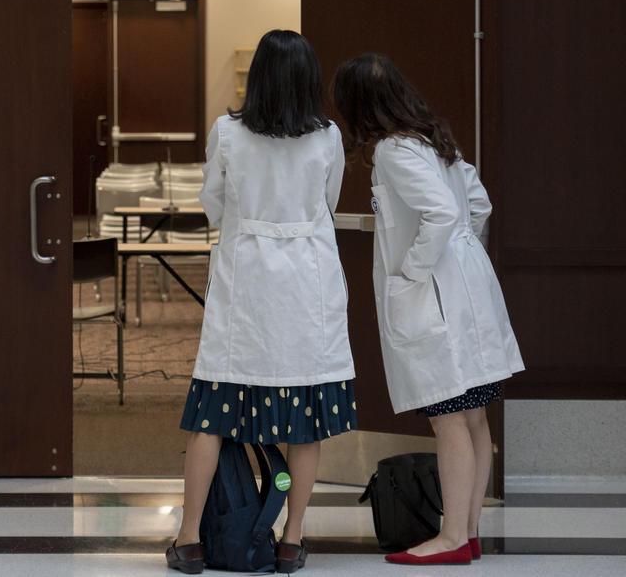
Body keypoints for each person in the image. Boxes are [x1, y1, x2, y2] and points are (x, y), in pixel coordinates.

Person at [166, 30, 356, 575]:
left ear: (258, 79)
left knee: (213, 411)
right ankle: (292, 540)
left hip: (245, 284)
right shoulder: (327, 137)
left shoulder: (227, 132)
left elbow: (214, 206)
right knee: (304, 423)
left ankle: (189, 540)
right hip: (307, 289)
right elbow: (329, 202)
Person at [333, 53, 524, 566]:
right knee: (475, 414)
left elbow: (438, 214)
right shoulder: (436, 139)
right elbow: (476, 206)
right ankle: (469, 529)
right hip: (468, 286)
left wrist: (412, 271)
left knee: (448, 417)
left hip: (435, 291)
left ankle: (451, 537)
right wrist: (462, 254)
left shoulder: (394, 151)